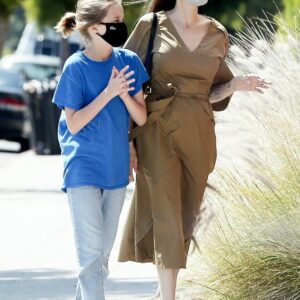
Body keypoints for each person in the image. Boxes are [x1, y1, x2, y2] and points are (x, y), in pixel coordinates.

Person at [118, 0, 270, 299]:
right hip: (157, 130)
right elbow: (124, 81)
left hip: (199, 135)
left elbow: (211, 94)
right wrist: (127, 142)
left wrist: (235, 86)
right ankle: (169, 296)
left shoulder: (217, 33)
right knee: (166, 215)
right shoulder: (152, 26)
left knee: (186, 218)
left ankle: (163, 293)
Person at [52, 0, 149, 299]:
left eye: (122, 18)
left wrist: (121, 95)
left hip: (117, 169)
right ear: (95, 27)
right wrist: (109, 93)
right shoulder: (75, 68)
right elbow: (75, 123)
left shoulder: (129, 61)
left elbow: (141, 116)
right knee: (91, 256)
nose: (122, 25)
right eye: (116, 19)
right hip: (82, 168)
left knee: (99, 257)